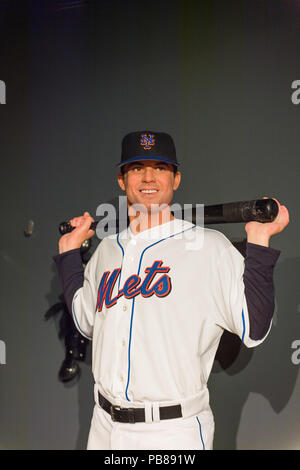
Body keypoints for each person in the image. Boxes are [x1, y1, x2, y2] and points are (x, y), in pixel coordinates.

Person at [54, 130, 289, 450]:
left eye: (160, 167)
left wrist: (259, 243)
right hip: (103, 425)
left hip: (171, 432)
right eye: (137, 168)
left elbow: (254, 328)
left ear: (176, 178)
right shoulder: (107, 250)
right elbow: (86, 320)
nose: (148, 176)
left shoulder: (209, 247)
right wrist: (69, 255)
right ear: (122, 180)